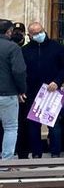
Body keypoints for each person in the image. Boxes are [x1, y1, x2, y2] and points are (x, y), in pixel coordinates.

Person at [21, 21, 64, 158]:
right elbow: (21, 72)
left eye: (40, 31)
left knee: (54, 125)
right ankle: (36, 154)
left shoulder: (56, 47)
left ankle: (55, 153)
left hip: (52, 92)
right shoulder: (25, 50)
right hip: (32, 93)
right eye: (35, 33)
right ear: (29, 35)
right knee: (33, 126)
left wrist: (57, 81)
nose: (39, 35)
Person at [0, 19, 26, 161]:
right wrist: (22, 90)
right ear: (9, 31)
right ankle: (6, 163)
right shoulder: (12, 47)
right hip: (7, 93)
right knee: (10, 128)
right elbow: (19, 71)